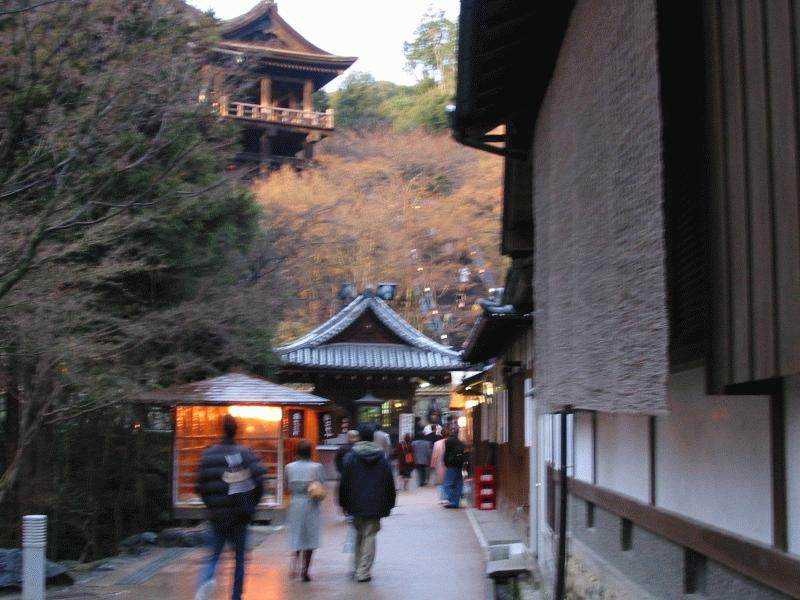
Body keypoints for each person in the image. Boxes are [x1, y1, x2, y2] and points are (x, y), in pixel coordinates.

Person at [195, 415, 265, 600]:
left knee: (213, 556)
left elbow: (200, 486)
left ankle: (205, 584)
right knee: (239, 559)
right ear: (237, 431)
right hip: (240, 516)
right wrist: (251, 506)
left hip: (216, 516)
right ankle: (236, 596)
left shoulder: (208, 455)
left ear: (220, 430)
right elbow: (259, 482)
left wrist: (211, 505)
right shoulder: (245, 454)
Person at [339, 423, 396, 582]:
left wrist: (343, 503)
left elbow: (344, 483)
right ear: (373, 437)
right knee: (370, 535)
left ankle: (358, 567)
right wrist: (390, 503)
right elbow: (389, 482)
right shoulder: (382, 457)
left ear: (359, 437)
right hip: (376, 503)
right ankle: (363, 571)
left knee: (358, 534)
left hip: (355, 503)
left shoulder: (351, 457)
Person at [285, 440, 327, 582]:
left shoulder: (289, 467)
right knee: (310, 536)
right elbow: (322, 484)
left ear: (297, 452)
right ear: (310, 452)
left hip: (295, 503)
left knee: (296, 534)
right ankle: (305, 570)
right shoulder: (317, 467)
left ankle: (294, 565)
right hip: (311, 504)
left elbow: (287, 486)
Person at [442, 429, 466, 509]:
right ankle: (455, 502)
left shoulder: (449, 441)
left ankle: (452, 500)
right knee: (458, 483)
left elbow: (446, 453)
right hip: (459, 464)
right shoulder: (461, 442)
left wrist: (445, 462)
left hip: (451, 465)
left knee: (447, 484)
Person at [430, 426, 449, 505]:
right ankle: (447, 497)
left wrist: (433, 464)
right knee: (448, 480)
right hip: (449, 464)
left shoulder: (437, 443)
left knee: (440, 481)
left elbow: (434, 455)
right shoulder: (451, 441)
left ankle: (441, 498)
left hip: (439, 464)